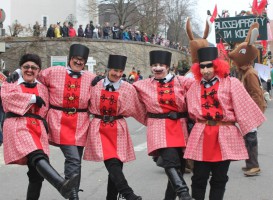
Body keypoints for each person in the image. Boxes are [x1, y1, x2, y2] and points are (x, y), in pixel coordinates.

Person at [7, 44, 95, 200]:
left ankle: (71, 192)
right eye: (76, 58)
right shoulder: (52, 72)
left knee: (72, 163)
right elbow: (32, 73)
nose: (79, 62)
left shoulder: (90, 77)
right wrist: (17, 72)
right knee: (73, 159)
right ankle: (70, 194)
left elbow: (104, 87)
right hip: (58, 122)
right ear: (70, 59)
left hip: (80, 123)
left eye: (82, 60)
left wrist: (103, 78)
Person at [184, 47, 266, 200]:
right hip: (201, 134)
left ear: (217, 65)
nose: (206, 70)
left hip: (225, 134)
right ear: (197, 68)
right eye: (202, 66)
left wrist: (250, 130)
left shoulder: (231, 83)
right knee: (198, 177)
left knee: (220, 178)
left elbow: (243, 106)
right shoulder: (193, 85)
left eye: (209, 66)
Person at [133, 50, 194, 200]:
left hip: (180, 128)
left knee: (178, 168)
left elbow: (201, 86)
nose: (157, 68)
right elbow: (123, 89)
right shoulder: (142, 85)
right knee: (170, 162)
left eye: (161, 65)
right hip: (159, 127)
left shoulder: (182, 81)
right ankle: (184, 194)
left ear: (168, 67)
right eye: (154, 65)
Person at [84, 55, 146, 200]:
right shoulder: (95, 85)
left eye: (120, 71)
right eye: (114, 70)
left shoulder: (128, 88)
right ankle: (128, 193)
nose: (117, 74)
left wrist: (156, 122)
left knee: (116, 166)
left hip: (118, 129)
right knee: (111, 162)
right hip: (99, 128)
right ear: (108, 69)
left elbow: (139, 106)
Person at [228, 22, 267, 177]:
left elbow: (256, 94)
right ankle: (250, 163)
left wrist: (255, 114)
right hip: (248, 111)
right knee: (248, 138)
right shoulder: (245, 71)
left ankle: (254, 165)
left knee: (251, 138)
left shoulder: (250, 73)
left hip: (251, 111)